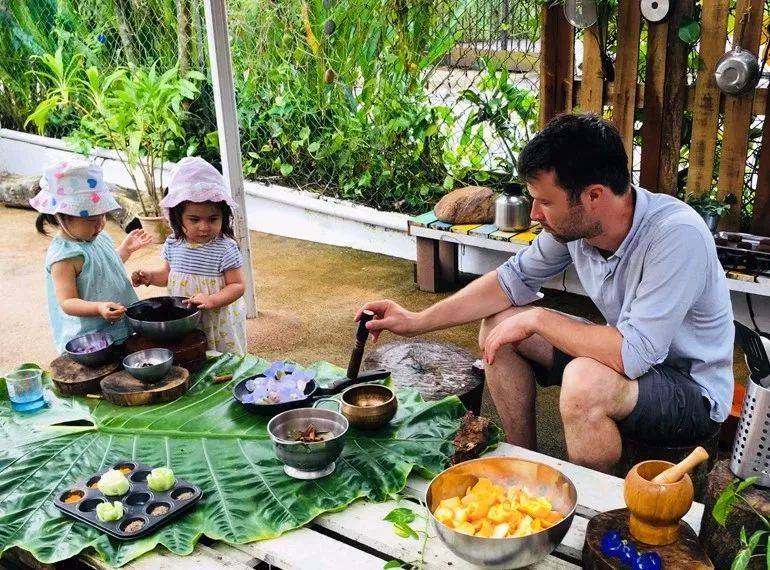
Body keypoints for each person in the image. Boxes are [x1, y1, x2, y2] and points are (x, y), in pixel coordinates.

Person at [357, 113, 734, 472]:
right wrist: (416, 320)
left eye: (546, 202)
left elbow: (632, 356)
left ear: (593, 196)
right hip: (631, 354)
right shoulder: (577, 228)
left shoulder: (676, 235)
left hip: (690, 392)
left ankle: (594, 506)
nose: (535, 213)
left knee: (584, 382)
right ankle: (526, 464)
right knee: (500, 326)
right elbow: (509, 281)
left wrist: (537, 318)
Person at [31, 160, 152, 353]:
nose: (101, 224)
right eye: (92, 219)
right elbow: (67, 302)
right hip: (92, 337)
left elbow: (103, 268)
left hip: (120, 326)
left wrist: (125, 250)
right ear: (61, 217)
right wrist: (97, 308)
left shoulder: (99, 236)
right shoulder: (64, 257)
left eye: (103, 216)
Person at [132, 157, 247, 354]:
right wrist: (149, 277)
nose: (204, 227)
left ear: (224, 216)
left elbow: (237, 285)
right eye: (194, 219)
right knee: (192, 352)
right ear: (177, 217)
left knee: (221, 356)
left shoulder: (225, 248)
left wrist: (211, 300)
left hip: (216, 318)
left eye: (213, 219)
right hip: (184, 316)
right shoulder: (173, 244)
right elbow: (168, 275)